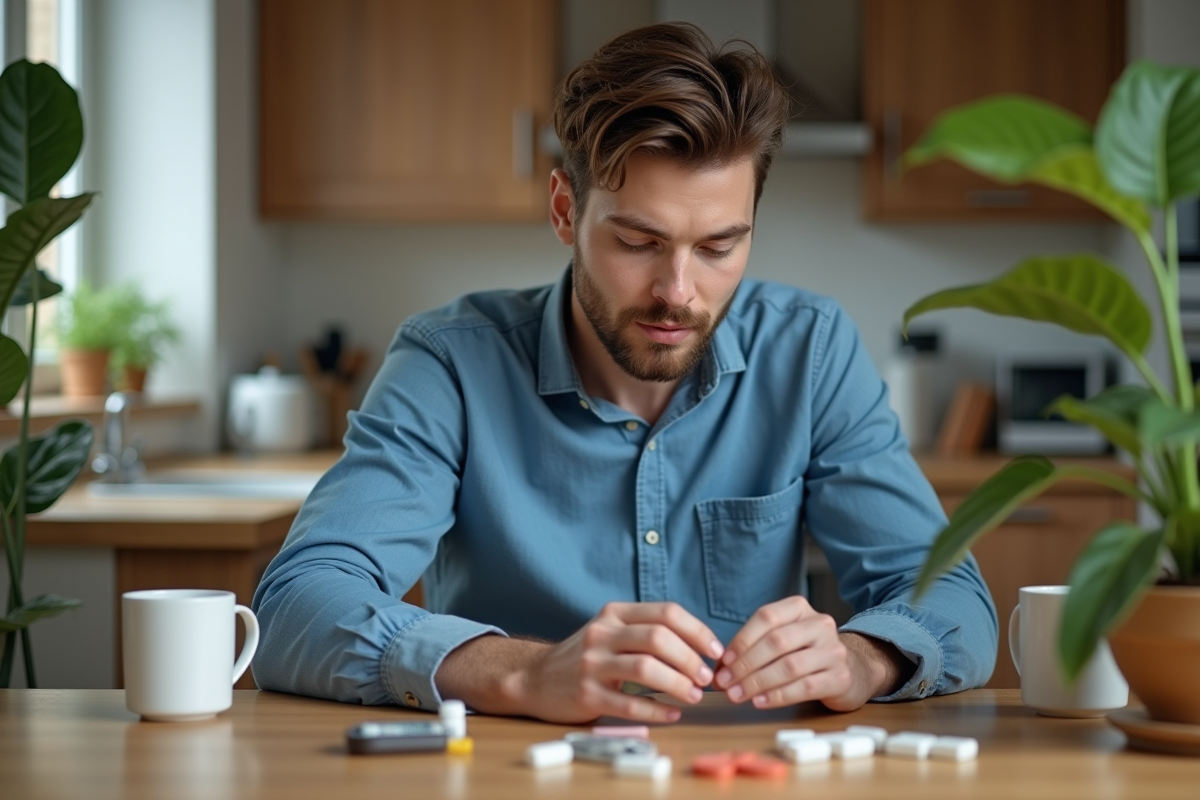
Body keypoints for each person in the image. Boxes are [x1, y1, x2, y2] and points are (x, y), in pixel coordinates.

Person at [251, 22, 997, 724]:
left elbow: (953, 599)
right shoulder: (451, 361)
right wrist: (521, 673)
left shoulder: (811, 350)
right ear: (564, 209)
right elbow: (296, 604)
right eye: (639, 240)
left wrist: (863, 661)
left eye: (718, 247)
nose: (678, 290)